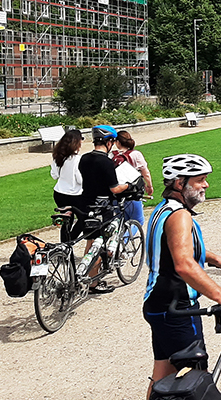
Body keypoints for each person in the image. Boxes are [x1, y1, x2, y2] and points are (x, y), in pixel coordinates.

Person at [143, 154, 221, 400]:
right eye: (200, 180)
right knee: (194, 378)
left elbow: (177, 247)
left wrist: (216, 259)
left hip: (158, 301)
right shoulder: (180, 215)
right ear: (179, 183)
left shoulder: (164, 208)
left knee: (163, 373)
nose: (205, 185)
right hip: (178, 305)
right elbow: (184, 263)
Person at [77, 125, 131, 293]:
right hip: (102, 206)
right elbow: (114, 188)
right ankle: (94, 282)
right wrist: (128, 185)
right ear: (109, 142)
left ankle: (87, 274)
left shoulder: (84, 159)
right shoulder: (106, 162)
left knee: (91, 240)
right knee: (102, 242)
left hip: (85, 203)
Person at [112, 130, 153, 227]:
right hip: (132, 193)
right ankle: (125, 239)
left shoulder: (112, 156)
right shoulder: (135, 154)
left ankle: (117, 240)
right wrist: (149, 186)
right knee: (138, 221)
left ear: (118, 142)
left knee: (120, 221)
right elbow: (145, 172)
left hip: (116, 193)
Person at [51, 128, 85, 211]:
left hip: (59, 192)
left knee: (66, 218)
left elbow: (54, 175)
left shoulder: (58, 157)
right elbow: (80, 180)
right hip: (74, 194)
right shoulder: (77, 159)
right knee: (84, 218)